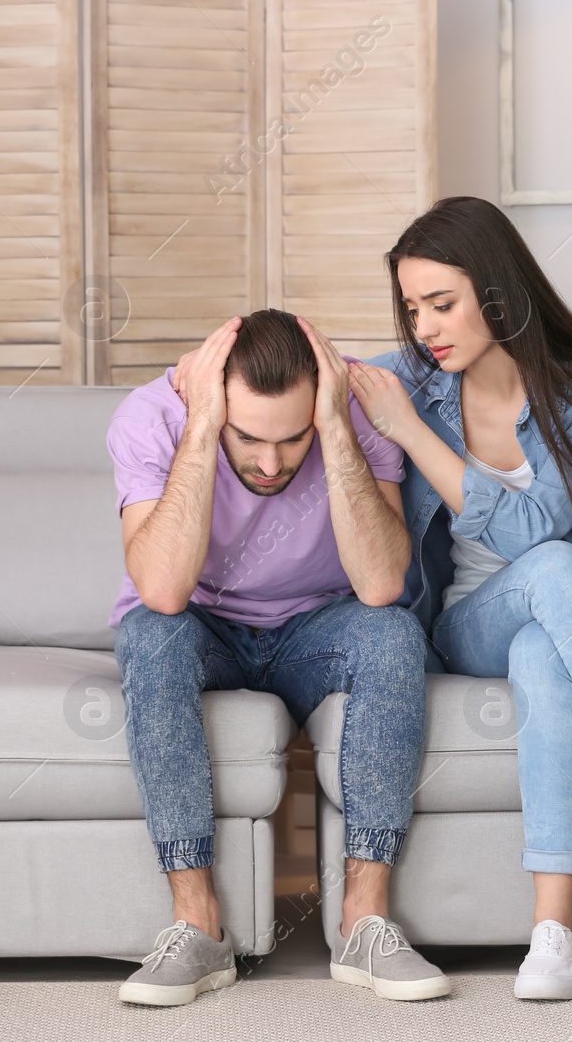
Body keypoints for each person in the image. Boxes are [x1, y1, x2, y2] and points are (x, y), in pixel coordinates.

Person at [347, 195, 572, 1001]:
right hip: (473, 619)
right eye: (413, 308)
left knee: (546, 615)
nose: (426, 326)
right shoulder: (413, 383)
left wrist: (412, 432)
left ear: (499, 292)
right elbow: (307, 386)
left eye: (442, 303)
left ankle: (552, 932)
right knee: (542, 582)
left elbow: (536, 525)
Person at [109, 309, 448, 1006]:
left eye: (292, 440)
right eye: (249, 437)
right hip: (201, 624)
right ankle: (198, 923)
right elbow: (165, 590)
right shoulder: (152, 416)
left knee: (393, 633)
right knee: (149, 632)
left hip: (314, 627)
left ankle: (365, 920)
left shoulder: (352, 413)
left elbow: (382, 584)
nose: (270, 464)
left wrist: (334, 428)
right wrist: (203, 427)